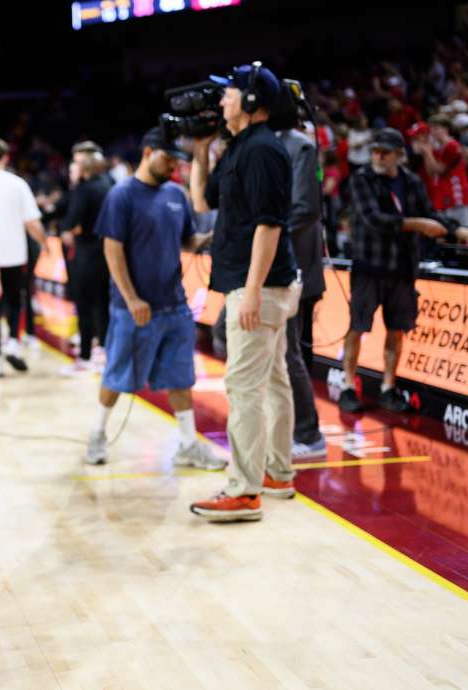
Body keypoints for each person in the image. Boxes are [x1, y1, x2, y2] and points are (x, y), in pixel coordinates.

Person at [188, 63, 300, 522]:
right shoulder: (239, 147)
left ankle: (244, 490)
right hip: (260, 284)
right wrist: (200, 152)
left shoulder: (263, 150)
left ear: (252, 101)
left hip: (259, 286)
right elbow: (202, 202)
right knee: (272, 381)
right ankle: (277, 473)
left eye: (228, 93)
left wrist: (252, 290)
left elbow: (269, 225)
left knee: (244, 386)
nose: (220, 101)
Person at [85, 127, 223, 471]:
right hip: (134, 309)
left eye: (177, 160)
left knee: (180, 378)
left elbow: (188, 240)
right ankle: (98, 433)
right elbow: (112, 250)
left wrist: (214, 236)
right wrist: (132, 299)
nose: (173, 166)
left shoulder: (176, 194)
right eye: (168, 158)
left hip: (175, 305)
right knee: (117, 376)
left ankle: (188, 445)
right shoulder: (122, 195)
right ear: (148, 153)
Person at [340, 128, 468, 414]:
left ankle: (388, 387)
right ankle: (348, 385)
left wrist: (460, 231)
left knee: (396, 330)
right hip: (369, 265)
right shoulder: (361, 179)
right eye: (375, 151)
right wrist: (418, 225)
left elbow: (430, 215)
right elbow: (374, 219)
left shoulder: (411, 181)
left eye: (385, 152)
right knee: (357, 327)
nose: (378, 157)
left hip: (403, 267)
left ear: (399, 154)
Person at [278, 119, 328, 459]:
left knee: (290, 353)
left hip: (296, 273)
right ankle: (294, 426)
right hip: (290, 270)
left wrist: (267, 235)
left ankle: (308, 433)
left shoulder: (301, 148)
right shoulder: (291, 148)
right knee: (288, 354)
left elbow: (305, 211)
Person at [0, 137, 45, 377]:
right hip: (15, 256)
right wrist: (44, 242)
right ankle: (14, 343)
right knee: (16, 302)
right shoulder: (18, 183)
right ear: (5, 157)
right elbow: (33, 223)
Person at [58, 141, 112, 375]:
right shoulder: (108, 184)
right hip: (106, 252)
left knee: (84, 305)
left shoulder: (84, 189)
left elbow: (70, 221)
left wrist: (67, 228)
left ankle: (85, 357)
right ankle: (103, 350)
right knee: (103, 303)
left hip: (86, 252)